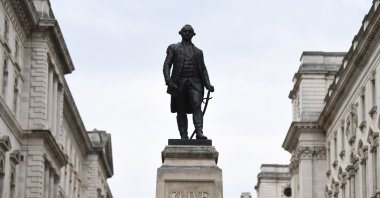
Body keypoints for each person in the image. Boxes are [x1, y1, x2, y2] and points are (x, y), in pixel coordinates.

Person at [163, 24, 214, 139]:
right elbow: (167, 64)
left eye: (189, 31)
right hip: (178, 83)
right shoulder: (173, 48)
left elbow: (203, 69)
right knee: (181, 110)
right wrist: (168, 81)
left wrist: (208, 84)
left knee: (196, 105)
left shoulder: (198, 52)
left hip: (195, 83)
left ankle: (199, 132)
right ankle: (184, 136)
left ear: (193, 34)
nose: (186, 33)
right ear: (180, 33)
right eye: (184, 31)